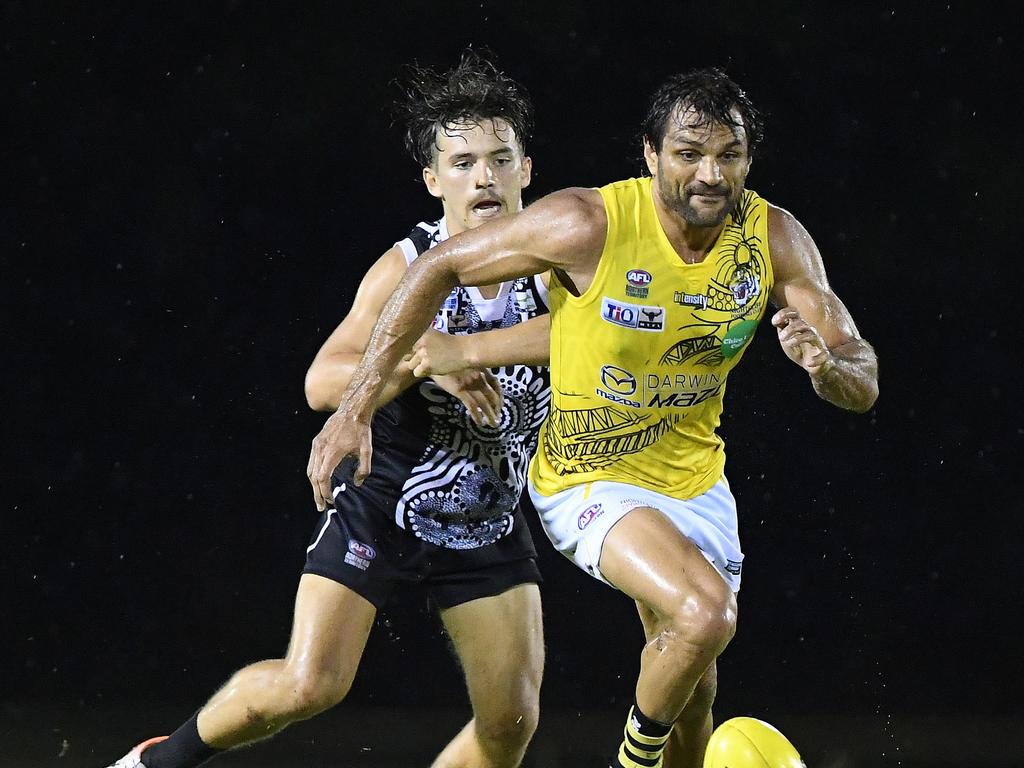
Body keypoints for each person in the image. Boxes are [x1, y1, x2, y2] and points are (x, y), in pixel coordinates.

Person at [308, 67, 879, 768]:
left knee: (694, 683)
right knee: (705, 616)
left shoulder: (776, 240)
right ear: (650, 155)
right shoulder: (588, 224)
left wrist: (827, 369)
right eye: (688, 153)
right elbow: (435, 267)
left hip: (696, 480)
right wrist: (357, 407)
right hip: (588, 475)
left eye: (728, 155)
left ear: (748, 160)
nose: (709, 174)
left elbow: (862, 377)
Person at [107, 50, 553, 768]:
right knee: (309, 684)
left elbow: (604, 339)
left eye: (501, 159)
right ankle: (156, 761)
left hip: (486, 517)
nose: (485, 177)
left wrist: (468, 353)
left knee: (511, 724)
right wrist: (423, 357)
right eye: (463, 162)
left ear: (527, 170)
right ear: (434, 181)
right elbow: (324, 382)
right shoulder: (408, 268)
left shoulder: (562, 265)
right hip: (382, 498)